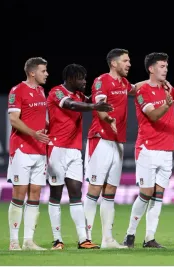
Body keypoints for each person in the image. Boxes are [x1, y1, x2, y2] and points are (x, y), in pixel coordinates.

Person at [46, 64, 112, 250]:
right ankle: (57, 239)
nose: (84, 81)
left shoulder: (81, 96)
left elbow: (92, 100)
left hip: (74, 151)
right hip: (56, 148)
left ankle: (83, 239)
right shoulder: (56, 92)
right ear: (70, 78)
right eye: (81, 78)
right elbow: (71, 105)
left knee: (76, 194)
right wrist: (94, 105)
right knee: (56, 194)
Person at [83, 48, 143, 249]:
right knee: (94, 188)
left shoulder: (124, 83)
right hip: (100, 139)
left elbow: (136, 88)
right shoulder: (101, 81)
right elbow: (99, 106)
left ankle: (107, 239)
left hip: (117, 141)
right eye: (125, 60)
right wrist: (108, 119)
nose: (129, 64)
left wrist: (157, 82)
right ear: (114, 63)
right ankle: (87, 238)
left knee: (110, 191)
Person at [122, 52, 174, 248]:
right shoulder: (142, 91)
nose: (166, 69)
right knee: (146, 193)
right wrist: (166, 104)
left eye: (166, 66)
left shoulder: (169, 89)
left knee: (159, 195)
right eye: (162, 66)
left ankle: (149, 238)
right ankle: (129, 235)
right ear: (151, 69)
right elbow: (153, 115)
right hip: (147, 148)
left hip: (166, 150)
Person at [7, 57, 50, 250]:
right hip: (22, 149)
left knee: (35, 194)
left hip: (40, 151)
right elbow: (14, 120)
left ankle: (28, 241)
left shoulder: (41, 91)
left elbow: (42, 119)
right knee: (19, 193)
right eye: (43, 70)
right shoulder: (17, 91)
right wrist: (34, 133)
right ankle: (14, 241)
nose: (46, 74)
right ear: (32, 72)